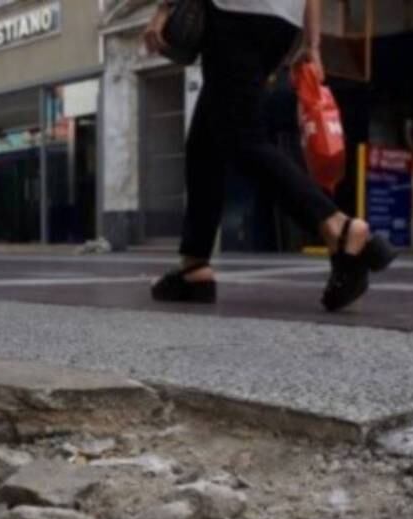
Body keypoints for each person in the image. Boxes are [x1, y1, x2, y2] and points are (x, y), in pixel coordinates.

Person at [144, 0, 396, 312]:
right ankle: (194, 266)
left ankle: (339, 227)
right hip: (282, 23)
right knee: (206, 140)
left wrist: (165, 8)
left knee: (244, 139)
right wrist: (311, 41)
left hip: (237, 12)